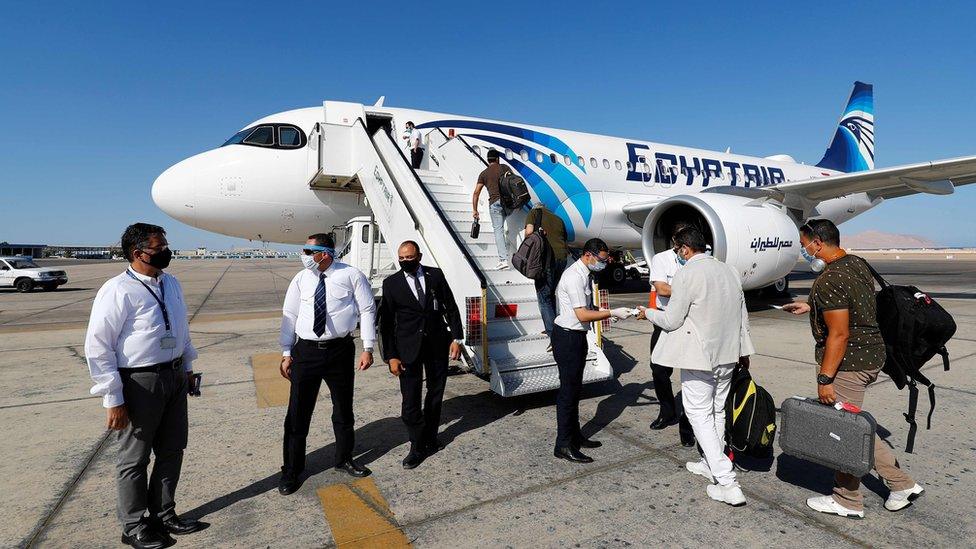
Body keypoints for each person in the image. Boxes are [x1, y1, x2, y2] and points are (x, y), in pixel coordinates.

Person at [782, 219, 924, 518]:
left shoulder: (830, 280)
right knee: (852, 425)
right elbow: (857, 303)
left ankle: (847, 499)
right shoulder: (856, 264)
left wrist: (825, 378)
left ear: (817, 243)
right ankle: (901, 485)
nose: (803, 250)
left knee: (845, 431)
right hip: (871, 355)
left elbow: (839, 334)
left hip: (848, 363)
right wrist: (814, 307)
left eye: (803, 243)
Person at [85, 223, 205, 549]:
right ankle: (134, 525)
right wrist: (113, 397)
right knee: (134, 459)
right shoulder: (117, 289)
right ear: (138, 253)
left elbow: (181, 329)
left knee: (172, 450)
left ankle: (164, 514)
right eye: (159, 247)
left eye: (165, 244)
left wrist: (189, 367)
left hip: (175, 377)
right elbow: (98, 346)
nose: (167, 251)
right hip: (139, 383)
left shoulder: (171, 283)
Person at [637, 226, 754, 507]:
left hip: (700, 356)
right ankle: (709, 461)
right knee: (716, 411)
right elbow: (742, 313)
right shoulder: (729, 270)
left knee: (697, 412)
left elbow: (672, 320)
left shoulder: (687, 273)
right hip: (729, 354)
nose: (679, 255)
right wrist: (743, 350)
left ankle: (727, 481)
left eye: (679, 250)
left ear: (685, 249)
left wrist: (647, 313)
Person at [278, 233, 377, 495]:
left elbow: (367, 310)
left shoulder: (351, 275)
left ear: (325, 254)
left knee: (343, 410)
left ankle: (344, 458)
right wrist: (286, 351)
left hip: (340, 351)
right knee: (298, 413)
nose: (305, 257)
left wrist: (368, 347)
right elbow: (290, 314)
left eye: (309, 252)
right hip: (306, 352)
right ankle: (291, 470)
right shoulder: (301, 279)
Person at [380, 241, 465, 469]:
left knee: (435, 394)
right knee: (410, 402)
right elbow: (386, 324)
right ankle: (416, 445)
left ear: (419, 255)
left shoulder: (435, 275)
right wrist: (391, 356)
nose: (406, 261)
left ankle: (430, 437)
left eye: (410, 257)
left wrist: (457, 338)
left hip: (436, 345)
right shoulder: (391, 284)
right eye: (402, 258)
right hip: (407, 350)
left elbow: (450, 306)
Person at [551, 238, 634, 463]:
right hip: (567, 336)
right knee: (568, 393)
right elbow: (582, 315)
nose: (604, 264)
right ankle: (563, 444)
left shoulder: (585, 274)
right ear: (588, 255)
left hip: (576, 336)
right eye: (601, 260)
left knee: (575, 389)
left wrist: (609, 310)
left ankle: (574, 435)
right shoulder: (574, 277)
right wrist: (612, 313)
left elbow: (589, 308)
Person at [646, 224, 696, 447]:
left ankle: (687, 423)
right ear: (675, 242)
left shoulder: (700, 258)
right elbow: (661, 289)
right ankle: (667, 411)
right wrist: (688, 289)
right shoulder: (661, 259)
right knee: (658, 369)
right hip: (665, 321)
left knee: (691, 373)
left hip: (690, 321)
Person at [524, 203, 569, 346]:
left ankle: (554, 335)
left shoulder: (534, 213)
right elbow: (564, 238)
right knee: (550, 294)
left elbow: (529, 232)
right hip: (562, 259)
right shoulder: (558, 219)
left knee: (544, 297)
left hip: (547, 260)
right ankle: (554, 327)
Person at [473, 149, 514, 270]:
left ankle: (503, 260)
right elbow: (513, 182)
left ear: (487, 160)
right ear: (497, 159)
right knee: (503, 228)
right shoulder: (505, 168)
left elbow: (476, 193)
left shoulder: (484, 174)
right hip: (508, 204)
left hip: (495, 204)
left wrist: (475, 210)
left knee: (498, 231)